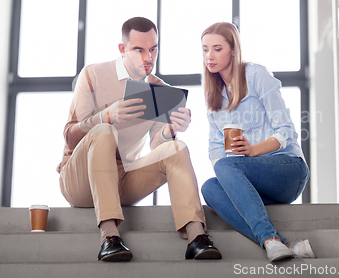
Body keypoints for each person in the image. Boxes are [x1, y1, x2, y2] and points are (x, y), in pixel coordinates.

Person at [57, 17, 221, 262]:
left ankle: (197, 237)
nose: (148, 58)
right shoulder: (94, 75)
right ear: (123, 49)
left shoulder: (158, 89)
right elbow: (70, 136)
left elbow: (158, 145)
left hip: (123, 180)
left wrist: (170, 131)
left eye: (153, 49)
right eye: (139, 50)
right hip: (80, 181)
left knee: (177, 148)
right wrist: (105, 116)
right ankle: (109, 237)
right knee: (104, 131)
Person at [199, 22, 314, 262]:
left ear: (233, 50)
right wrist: (229, 182)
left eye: (217, 49)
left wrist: (252, 150)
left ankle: (271, 239)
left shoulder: (256, 74)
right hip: (253, 179)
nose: (209, 56)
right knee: (210, 187)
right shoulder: (214, 95)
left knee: (224, 167)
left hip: (288, 169)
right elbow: (215, 148)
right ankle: (281, 244)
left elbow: (287, 132)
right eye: (205, 49)